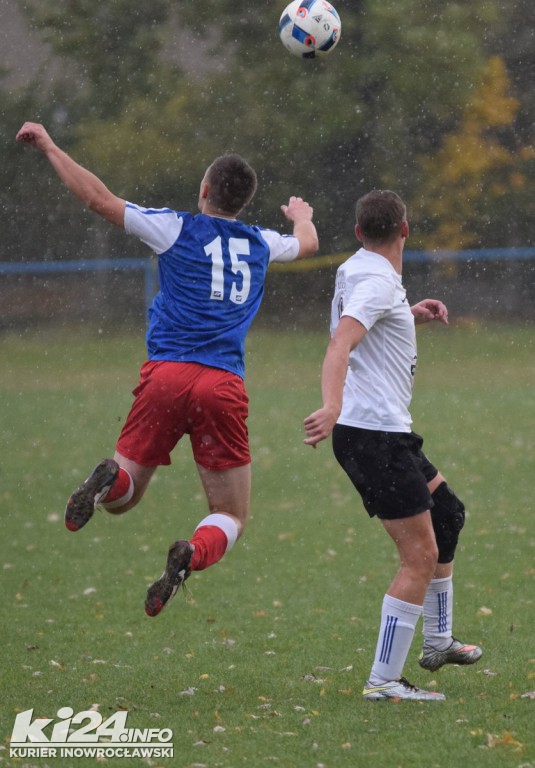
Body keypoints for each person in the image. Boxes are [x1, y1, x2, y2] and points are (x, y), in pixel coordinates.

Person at [16, 121, 319, 617]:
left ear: (204, 190)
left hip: (166, 376)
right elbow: (306, 243)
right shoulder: (262, 242)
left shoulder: (175, 226)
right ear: (243, 202)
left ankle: (107, 478)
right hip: (222, 383)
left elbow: (98, 198)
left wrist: (50, 146)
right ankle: (191, 555)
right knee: (230, 513)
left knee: (122, 498)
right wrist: (301, 216)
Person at [303, 189, 481, 701]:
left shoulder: (361, 269)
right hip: (370, 434)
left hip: (385, 431)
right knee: (419, 554)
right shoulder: (378, 283)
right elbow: (341, 342)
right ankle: (383, 681)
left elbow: (370, 311)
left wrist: (409, 314)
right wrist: (332, 404)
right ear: (406, 229)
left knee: (446, 514)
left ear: (359, 233)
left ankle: (439, 642)